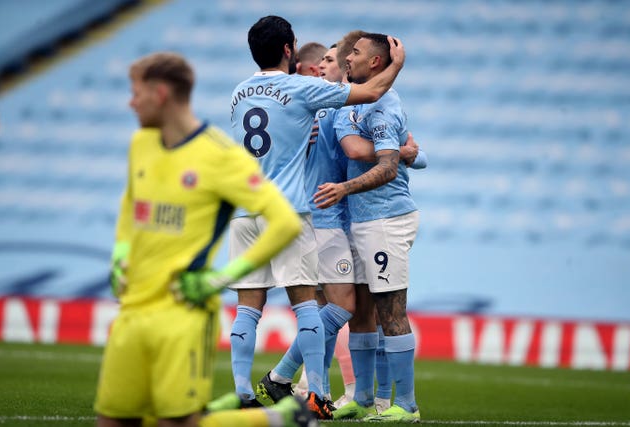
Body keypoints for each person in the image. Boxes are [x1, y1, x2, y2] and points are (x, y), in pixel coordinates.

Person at [93, 51, 310, 427]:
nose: (131, 102)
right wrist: (121, 255)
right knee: (114, 420)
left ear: (160, 93)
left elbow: (284, 222)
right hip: (130, 311)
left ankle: (280, 420)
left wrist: (222, 278)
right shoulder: (140, 145)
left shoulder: (219, 156)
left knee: (177, 423)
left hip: (182, 313)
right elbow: (132, 205)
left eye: (136, 92)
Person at [224, 15, 405, 421]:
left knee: (247, 308)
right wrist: (396, 63)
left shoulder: (238, 93)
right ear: (289, 50)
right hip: (286, 211)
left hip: (244, 211)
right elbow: (373, 90)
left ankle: (241, 392)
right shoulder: (303, 87)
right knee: (306, 304)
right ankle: (319, 394)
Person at [314, 33, 422, 423]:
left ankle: (406, 405)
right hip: (362, 219)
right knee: (362, 310)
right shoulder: (358, 98)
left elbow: (388, 166)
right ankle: (361, 397)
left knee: (391, 310)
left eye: (356, 53)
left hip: (385, 219)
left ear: (375, 63)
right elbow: (378, 153)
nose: (348, 58)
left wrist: (344, 187)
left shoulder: (383, 107)